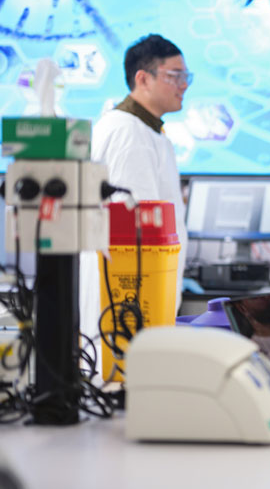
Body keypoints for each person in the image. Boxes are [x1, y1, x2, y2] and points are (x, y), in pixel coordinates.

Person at [79, 34, 190, 345]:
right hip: (128, 293)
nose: (184, 85)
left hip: (143, 290)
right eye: (175, 76)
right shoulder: (127, 131)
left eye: (186, 77)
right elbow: (135, 228)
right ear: (143, 78)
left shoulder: (148, 131)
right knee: (119, 386)